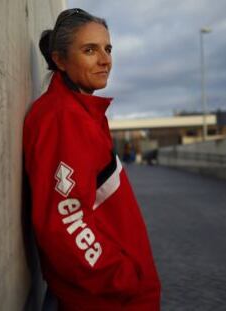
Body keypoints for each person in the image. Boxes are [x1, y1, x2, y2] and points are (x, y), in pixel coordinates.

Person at [23, 8, 161, 310]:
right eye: (90, 50)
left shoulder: (82, 113)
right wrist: (122, 278)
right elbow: (64, 220)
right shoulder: (62, 117)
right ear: (60, 60)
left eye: (107, 48)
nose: (105, 60)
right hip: (101, 299)